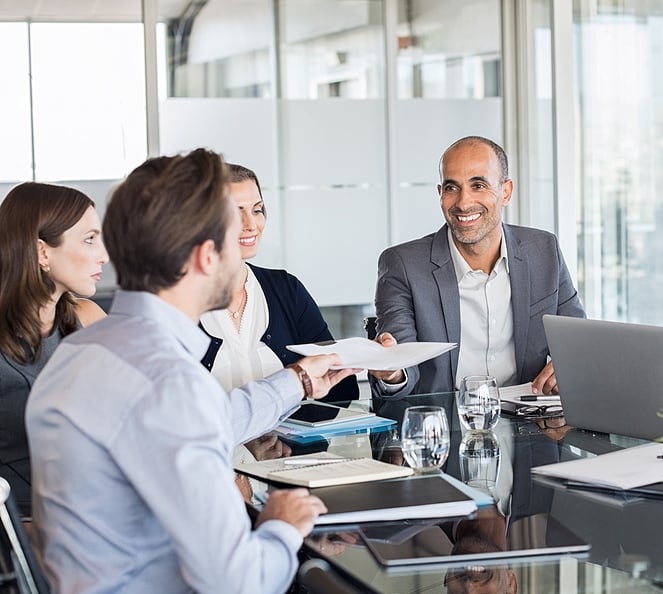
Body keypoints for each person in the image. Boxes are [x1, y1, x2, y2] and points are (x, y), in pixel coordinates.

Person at [25, 149, 358, 594]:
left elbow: (205, 420)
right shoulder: (169, 382)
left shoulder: (83, 349)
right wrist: (281, 526)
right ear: (206, 256)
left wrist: (296, 380)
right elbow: (240, 583)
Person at [369, 136, 585, 399]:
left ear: (506, 192)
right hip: (446, 427)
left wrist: (567, 367)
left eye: (478, 185)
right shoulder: (403, 264)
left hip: (531, 424)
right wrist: (393, 372)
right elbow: (401, 363)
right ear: (440, 194)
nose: (463, 202)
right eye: (451, 188)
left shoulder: (543, 250)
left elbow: (578, 343)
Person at [200, 163, 359, 403]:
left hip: (288, 441)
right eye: (234, 212)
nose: (251, 224)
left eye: (257, 210)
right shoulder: (179, 303)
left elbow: (341, 389)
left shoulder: (286, 289)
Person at [0, 182, 108, 516]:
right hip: (18, 531)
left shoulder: (88, 320)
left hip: (92, 514)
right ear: (42, 252)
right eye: (89, 239)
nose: (103, 255)